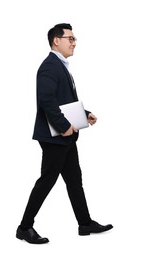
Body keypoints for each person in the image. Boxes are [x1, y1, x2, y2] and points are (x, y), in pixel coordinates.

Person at [16, 23, 113, 244]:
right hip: (54, 137)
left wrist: (84, 114)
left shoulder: (61, 66)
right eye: (69, 38)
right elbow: (47, 101)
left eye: (74, 38)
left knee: (74, 180)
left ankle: (85, 223)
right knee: (46, 182)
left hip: (65, 136)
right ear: (56, 41)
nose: (74, 42)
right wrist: (63, 126)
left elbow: (63, 101)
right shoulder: (50, 66)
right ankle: (24, 227)